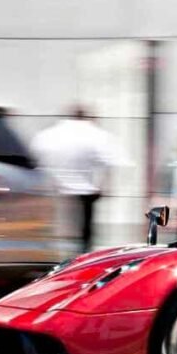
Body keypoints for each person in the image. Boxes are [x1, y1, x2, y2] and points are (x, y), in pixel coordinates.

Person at [31, 105, 126, 252]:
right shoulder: (97, 135)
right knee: (85, 232)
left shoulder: (50, 134)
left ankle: (57, 254)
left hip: (57, 189)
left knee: (59, 227)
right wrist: (103, 185)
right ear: (87, 117)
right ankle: (80, 256)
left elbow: (37, 160)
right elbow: (110, 161)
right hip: (86, 191)